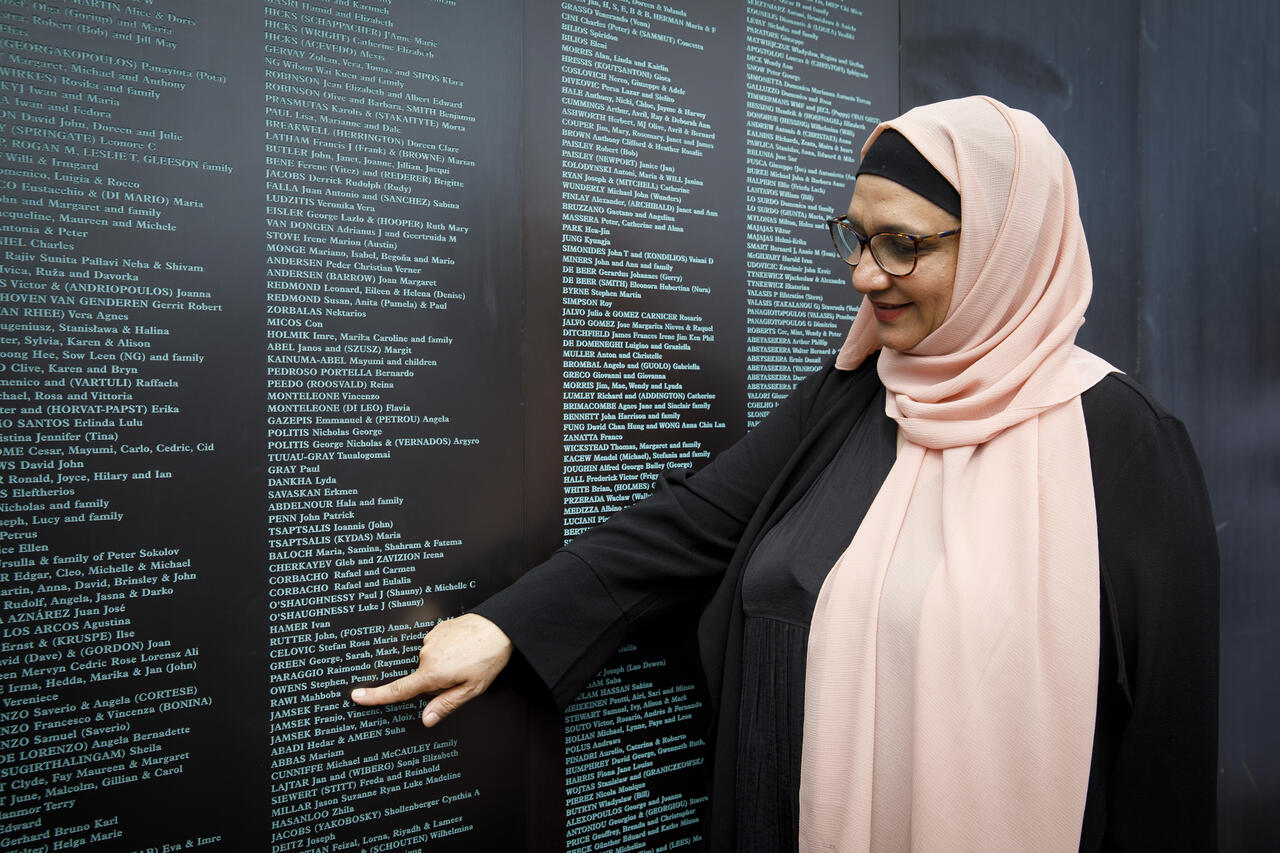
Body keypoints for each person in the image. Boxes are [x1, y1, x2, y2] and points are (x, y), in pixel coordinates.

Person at [351, 96, 1219, 852]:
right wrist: (504, 625)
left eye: (904, 244)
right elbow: (689, 523)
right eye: (857, 235)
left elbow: (1165, 756)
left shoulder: (1119, 442)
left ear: (1006, 246)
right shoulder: (852, 396)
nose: (865, 274)